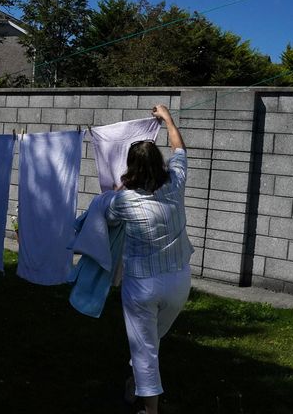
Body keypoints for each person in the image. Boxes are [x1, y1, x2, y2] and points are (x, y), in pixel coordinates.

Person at [106, 104, 193, 414]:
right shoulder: (176, 184)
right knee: (151, 340)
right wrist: (168, 118)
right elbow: (179, 149)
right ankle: (134, 382)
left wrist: (120, 187)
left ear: (131, 168)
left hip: (143, 286)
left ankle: (149, 410)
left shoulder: (124, 200)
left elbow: (109, 217)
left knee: (145, 350)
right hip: (179, 283)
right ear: (159, 163)